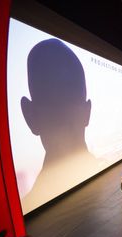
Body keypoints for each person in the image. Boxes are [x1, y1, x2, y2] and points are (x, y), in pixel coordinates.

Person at [21, 38, 99, 211]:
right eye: (50, 99)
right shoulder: (29, 205)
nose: (62, 111)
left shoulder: (28, 205)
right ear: (30, 115)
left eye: (69, 97)